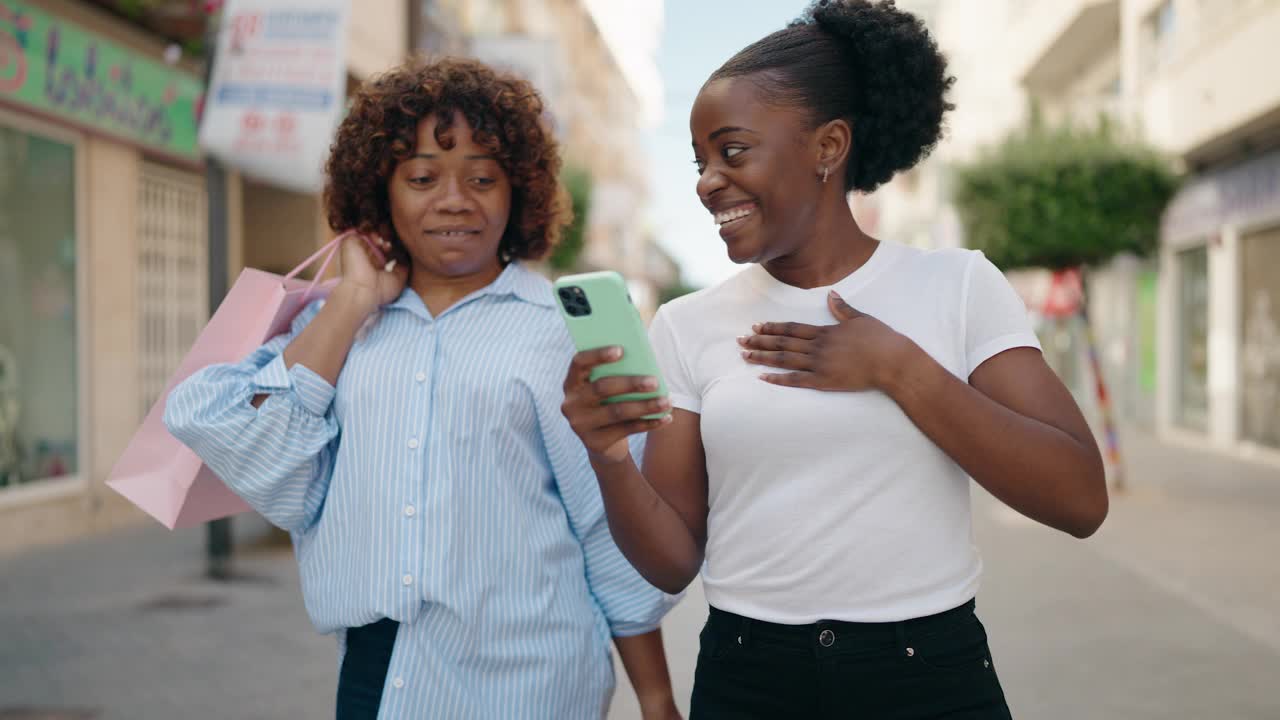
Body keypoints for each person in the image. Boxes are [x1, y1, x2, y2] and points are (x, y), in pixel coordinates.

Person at [559, 1, 1110, 718]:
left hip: (928, 676)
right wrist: (605, 456)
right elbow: (671, 561)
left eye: (732, 151)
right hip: (748, 678)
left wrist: (899, 369)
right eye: (699, 162)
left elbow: (1079, 499)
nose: (705, 182)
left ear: (828, 146)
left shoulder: (957, 285)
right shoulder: (686, 326)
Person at [165, 58, 680, 720]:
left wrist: (659, 699)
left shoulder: (556, 329)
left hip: (534, 679)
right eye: (422, 177)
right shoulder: (338, 325)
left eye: (482, 178)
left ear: (516, 191)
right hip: (380, 674)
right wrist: (351, 303)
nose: (454, 200)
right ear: (382, 191)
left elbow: (603, 529)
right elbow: (239, 443)